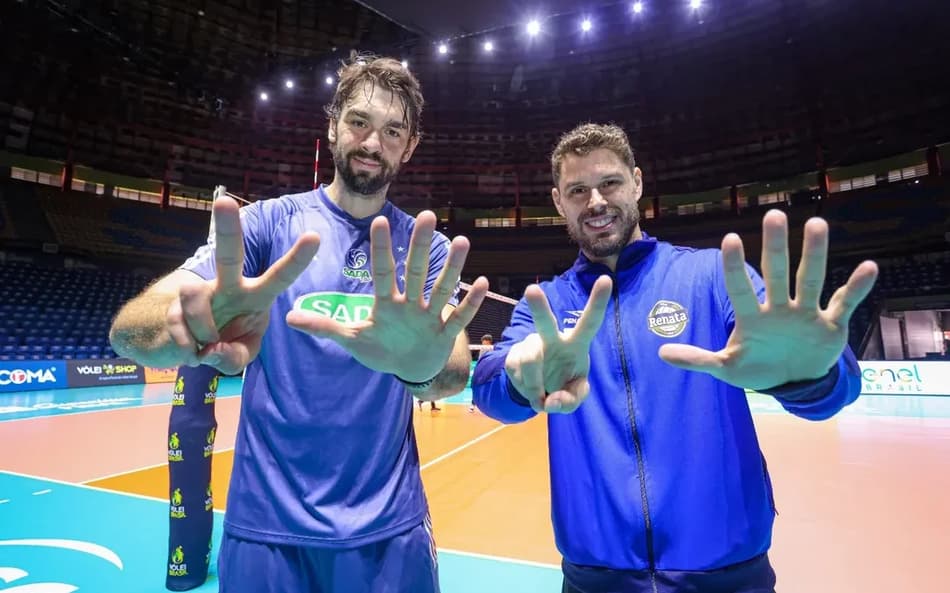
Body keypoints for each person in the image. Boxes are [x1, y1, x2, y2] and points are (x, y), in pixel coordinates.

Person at [109, 54, 488, 593]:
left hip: (388, 531)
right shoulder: (265, 225)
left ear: (410, 146)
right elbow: (130, 330)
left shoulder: (425, 249)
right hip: (265, 530)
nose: (372, 143)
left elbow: (450, 370)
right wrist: (180, 328)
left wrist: (420, 364)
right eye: (359, 121)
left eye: (392, 131)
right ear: (332, 125)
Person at [472, 123, 878, 593]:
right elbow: (489, 388)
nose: (596, 201)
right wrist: (517, 378)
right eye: (578, 190)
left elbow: (834, 389)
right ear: (559, 202)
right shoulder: (545, 303)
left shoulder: (710, 275)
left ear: (637, 183)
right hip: (595, 580)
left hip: (729, 575)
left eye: (610, 183)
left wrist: (810, 376)